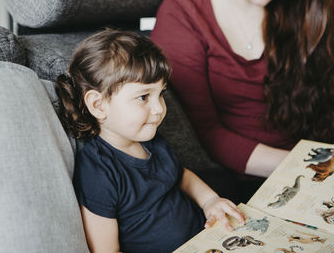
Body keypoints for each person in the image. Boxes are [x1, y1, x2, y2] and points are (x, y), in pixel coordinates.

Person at [56, 29, 245, 253]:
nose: (158, 109)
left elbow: (182, 175)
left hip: (208, 239)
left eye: (161, 94)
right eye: (143, 97)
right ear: (98, 105)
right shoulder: (98, 172)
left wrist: (210, 201)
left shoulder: (152, 141)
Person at [151, 0, 334, 183]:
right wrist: (305, 166)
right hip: (254, 176)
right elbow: (206, 133)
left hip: (319, 155)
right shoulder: (183, 15)